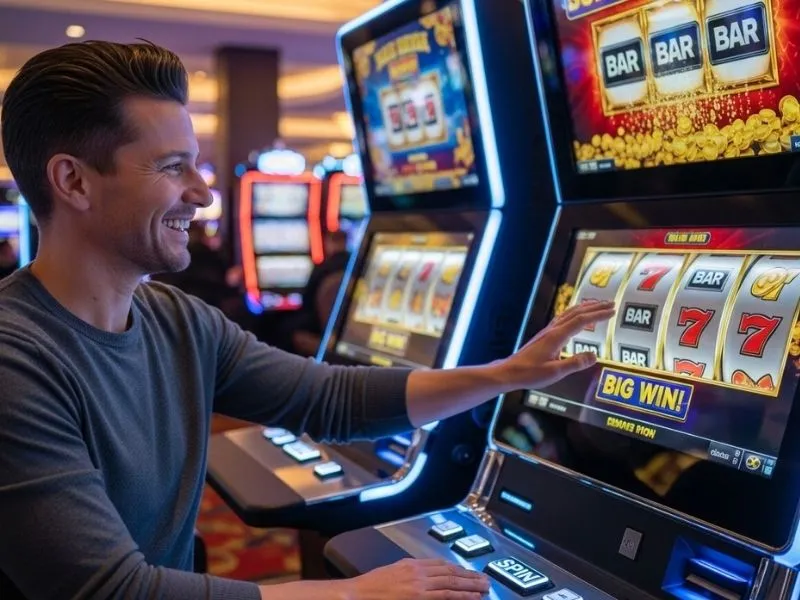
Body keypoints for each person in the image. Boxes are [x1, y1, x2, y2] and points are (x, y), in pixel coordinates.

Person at [0, 41, 615, 600]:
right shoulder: (16, 360)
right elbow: (109, 593)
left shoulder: (174, 320)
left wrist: (505, 375)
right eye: (171, 168)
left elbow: (331, 398)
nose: (204, 193)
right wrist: (350, 596)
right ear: (73, 181)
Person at [289, 229, 351, 356]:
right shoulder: (358, 264)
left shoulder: (322, 268)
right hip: (350, 327)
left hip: (319, 327)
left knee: (282, 327)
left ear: (329, 243)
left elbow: (306, 302)